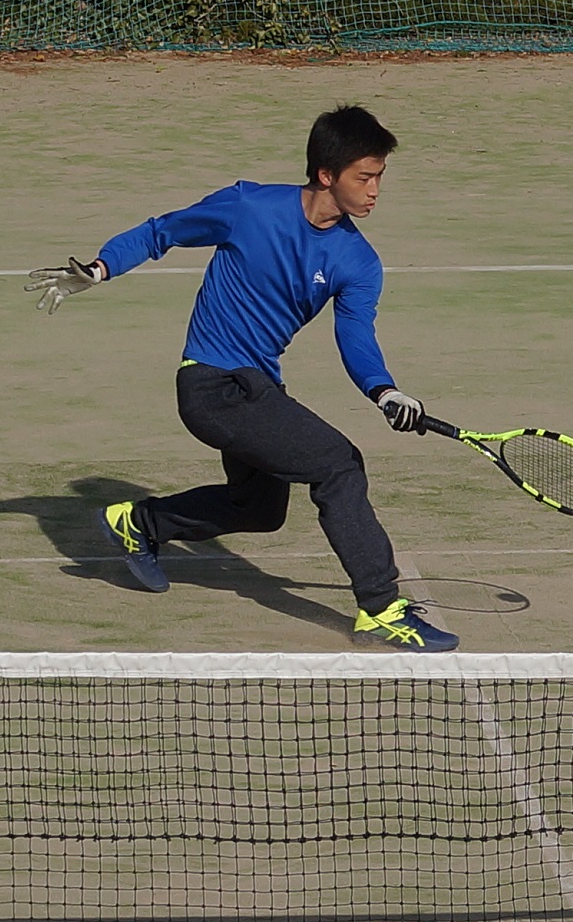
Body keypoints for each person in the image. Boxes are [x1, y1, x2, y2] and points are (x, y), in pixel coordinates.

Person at [25, 105, 457, 651]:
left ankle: (141, 523)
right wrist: (102, 267)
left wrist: (384, 389)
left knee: (260, 508)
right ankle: (381, 607)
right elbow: (163, 231)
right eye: (364, 177)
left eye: (379, 178)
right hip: (212, 386)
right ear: (327, 174)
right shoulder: (248, 207)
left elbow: (356, 335)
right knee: (339, 465)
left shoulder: (358, 261)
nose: (375, 191)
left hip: (257, 388)